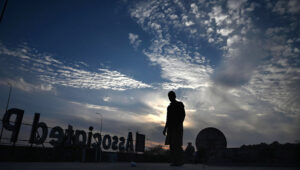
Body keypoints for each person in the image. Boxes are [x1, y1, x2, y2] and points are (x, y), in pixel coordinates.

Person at [163, 91, 185, 166]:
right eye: (169, 96)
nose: (170, 98)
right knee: (172, 145)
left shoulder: (179, 104)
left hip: (177, 127)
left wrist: (179, 125)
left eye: (171, 96)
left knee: (177, 145)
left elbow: (183, 115)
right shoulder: (169, 107)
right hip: (171, 128)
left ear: (174, 96)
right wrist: (165, 128)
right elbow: (168, 118)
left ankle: (179, 161)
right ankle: (174, 161)